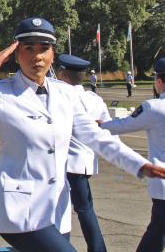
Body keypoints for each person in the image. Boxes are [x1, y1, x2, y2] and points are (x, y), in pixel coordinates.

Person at [0, 17, 165, 252]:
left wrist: (139, 165)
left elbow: (96, 136)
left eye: (44, 49)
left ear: (53, 54)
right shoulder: (1, 94)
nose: (37, 56)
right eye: (28, 49)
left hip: (56, 206)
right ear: (16, 53)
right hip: (19, 209)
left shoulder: (65, 94)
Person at [101, 57, 165, 252]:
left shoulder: (154, 107)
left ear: (159, 81)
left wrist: (99, 125)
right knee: (157, 232)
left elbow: (123, 125)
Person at [57, 54, 113, 252]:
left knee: (79, 209)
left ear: (63, 75)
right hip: (86, 161)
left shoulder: (60, 97)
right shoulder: (94, 99)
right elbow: (107, 126)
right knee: (81, 207)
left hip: (67, 163)